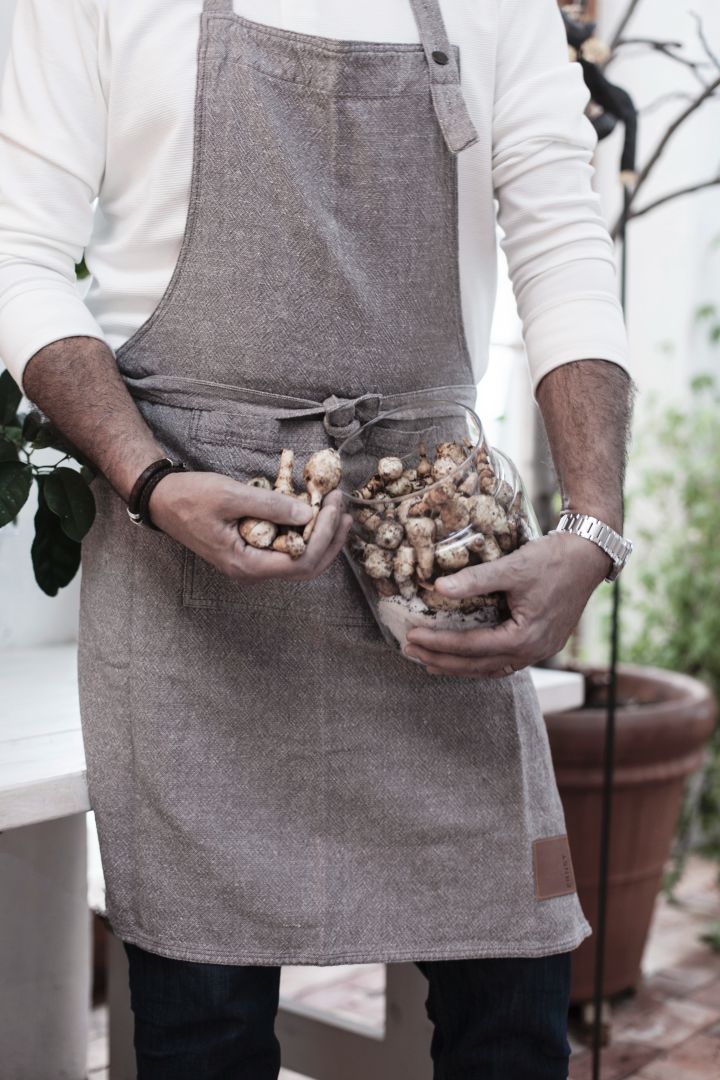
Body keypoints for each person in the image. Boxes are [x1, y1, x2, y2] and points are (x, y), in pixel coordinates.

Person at [0, 1, 636, 1076]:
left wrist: (594, 527)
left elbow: (562, 237)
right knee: (203, 1027)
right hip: (188, 570)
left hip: (434, 550)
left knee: (516, 1010)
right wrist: (150, 480)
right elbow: (14, 244)